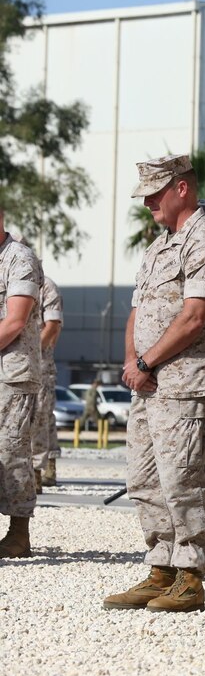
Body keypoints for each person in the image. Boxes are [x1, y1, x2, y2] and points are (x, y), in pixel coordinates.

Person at [103, 154, 205, 612]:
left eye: (155, 194)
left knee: (182, 477)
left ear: (183, 188)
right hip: (149, 381)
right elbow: (138, 312)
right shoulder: (161, 246)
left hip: (185, 380)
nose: (147, 204)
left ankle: (190, 573)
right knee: (143, 478)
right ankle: (161, 566)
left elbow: (195, 317)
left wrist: (146, 360)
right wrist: (132, 361)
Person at [0, 211, 43, 558]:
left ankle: (18, 532)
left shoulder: (20, 258)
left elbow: (15, 320)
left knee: (11, 451)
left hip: (12, 374)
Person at [32, 275, 63, 490]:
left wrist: (33, 353)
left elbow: (52, 325)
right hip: (11, 358)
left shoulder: (46, 286)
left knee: (40, 416)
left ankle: (36, 470)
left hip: (40, 361)